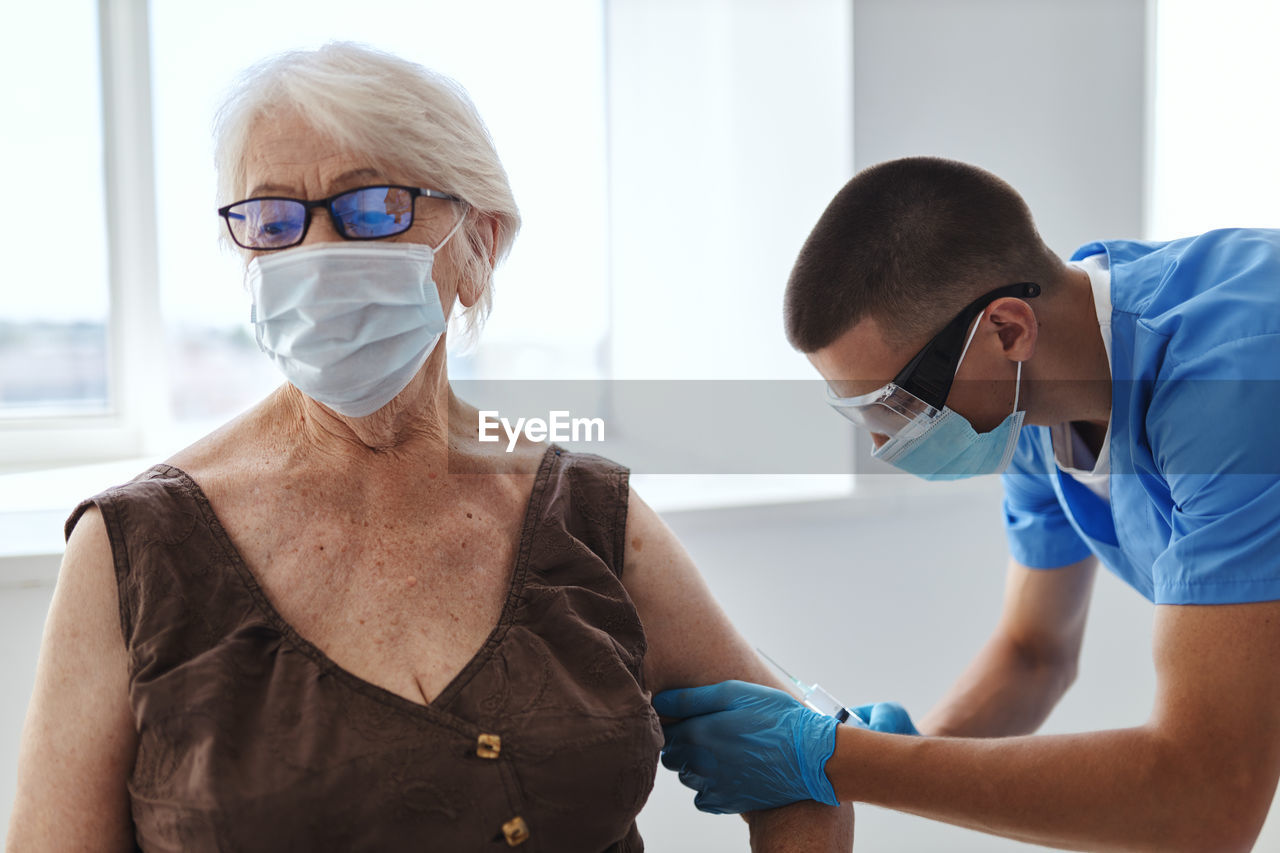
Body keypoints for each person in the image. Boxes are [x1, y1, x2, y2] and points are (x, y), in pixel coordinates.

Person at [5, 43, 852, 852]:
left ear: (476, 247)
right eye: (273, 219)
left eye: (373, 207)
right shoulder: (134, 552)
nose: (319, 252)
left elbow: (807, 767)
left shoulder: (588, 517)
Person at [654, 156, 1280, 852]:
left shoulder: (1238, 380)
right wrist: (913, 746)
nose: (885, 442)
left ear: (1007, 329)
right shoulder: (1041, 405)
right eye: (860, 414)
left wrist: (836, 758)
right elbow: (1034, 652)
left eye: (894, 404)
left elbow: (1203, 804)